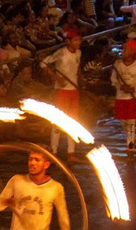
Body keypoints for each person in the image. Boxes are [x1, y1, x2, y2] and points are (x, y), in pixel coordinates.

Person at [40, 29, 82, 159]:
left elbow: (77, 67)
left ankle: (71, 152)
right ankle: (54, 152)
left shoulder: (78, 53)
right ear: (68, 41)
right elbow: (43, 63)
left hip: (74, 90)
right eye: (75, 40)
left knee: (73, 121)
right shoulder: (61, 53)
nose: (78, 43)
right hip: (61, 91)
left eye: (79, 40)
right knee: (58, 121)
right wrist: (56, 77)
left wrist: (81, 78)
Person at [110, 40, 136, 154]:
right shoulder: (117, 64)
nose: (122, 51)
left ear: (132, 51)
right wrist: (120, 86)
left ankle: (130, 145)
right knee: (123, 122)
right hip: (120, 97)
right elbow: (113, 79)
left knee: (131, 122)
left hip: (133, 98)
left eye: (125, 49)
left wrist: (135, 89)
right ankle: (131, 138)